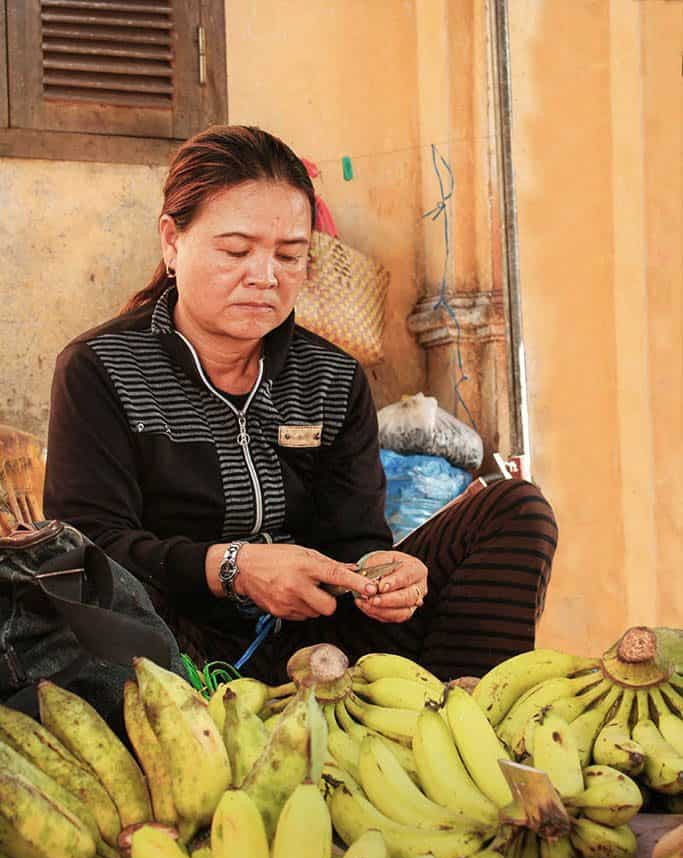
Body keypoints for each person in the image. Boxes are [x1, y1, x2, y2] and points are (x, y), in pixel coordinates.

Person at [44, 125, 558, 685]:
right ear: (172, 241)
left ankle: (462, 725)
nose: (265, 277)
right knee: (92, 604)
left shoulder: (332, 378)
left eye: (290, 256)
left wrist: (385, 576)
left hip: (317, 642)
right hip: (172, 645)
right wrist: (231, 569)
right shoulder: (102, 369)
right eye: (236, 250)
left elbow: (355, 541)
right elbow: (88, 550)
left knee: (516, 511)